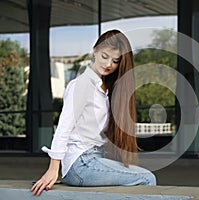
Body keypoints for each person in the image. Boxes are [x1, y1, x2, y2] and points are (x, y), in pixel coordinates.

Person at [30, 29, 156, 196]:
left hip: (95, 159)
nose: (109, 64)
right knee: (147, 179)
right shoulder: (81, 85)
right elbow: (64, 127)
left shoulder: (105, 90)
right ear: (95, 51)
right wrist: (54, 169)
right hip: (81, 164)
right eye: (105, 56)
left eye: (115, 60)